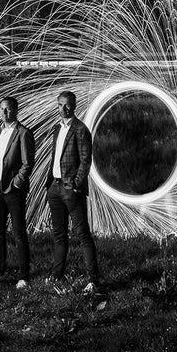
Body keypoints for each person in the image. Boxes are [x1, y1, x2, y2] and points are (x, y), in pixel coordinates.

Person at [44, 89, 102, 294]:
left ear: (74, 105)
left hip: (71, 189)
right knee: (59, 235)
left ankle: (93, 280)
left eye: (68, 104)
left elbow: (86, 161)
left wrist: (76, 184)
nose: (64, 108)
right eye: (60, 104)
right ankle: (57, 274)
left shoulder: (80, 129)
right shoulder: (56, 128)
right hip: (55, 187)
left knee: (83, 235)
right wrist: (52, 182)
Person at [0, 96, 35, 288]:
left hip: (13, 191)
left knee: (19, 233)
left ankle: (24, 276)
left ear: (16, 111)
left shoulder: (23, 133)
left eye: (9, 109)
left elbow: (28, 163)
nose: (5, 113)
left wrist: (17, 183)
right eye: (2, 109)